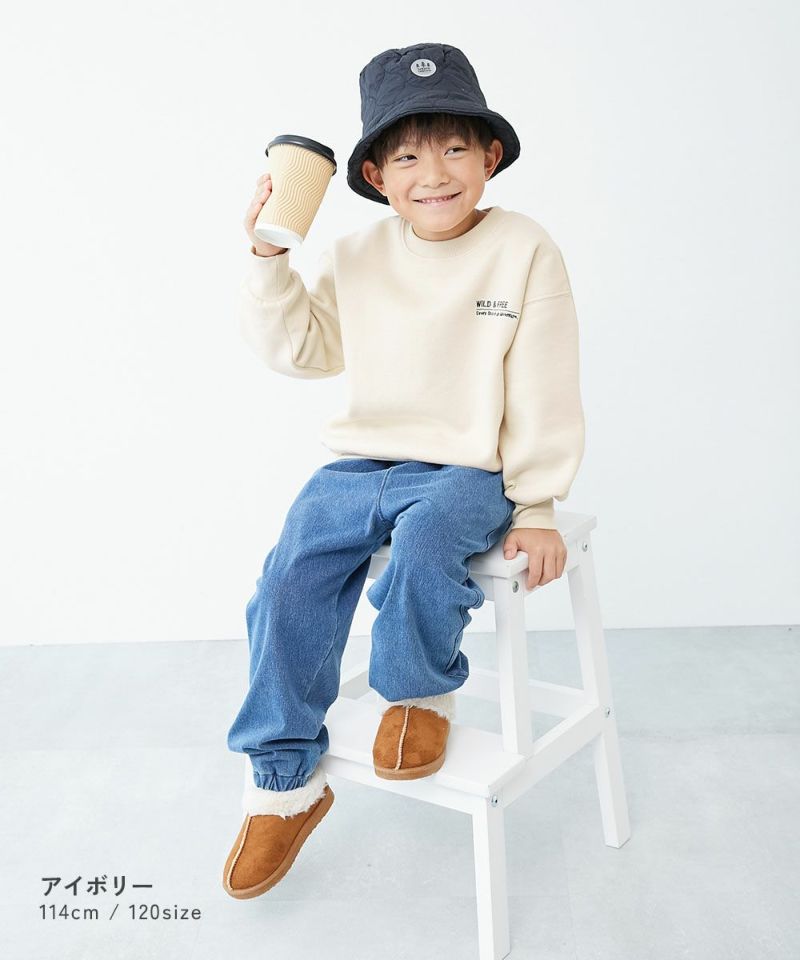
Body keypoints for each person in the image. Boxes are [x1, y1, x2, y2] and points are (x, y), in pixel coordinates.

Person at [222, 42, 585, 899]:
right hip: (362, 461)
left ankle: (418, 695)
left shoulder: (524, 247)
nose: (435, 173)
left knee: (426, 549)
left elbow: (544, 379)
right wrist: (269, 259)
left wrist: (538, 504)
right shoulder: (357, 255)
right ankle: (283, 781)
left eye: (455, 148)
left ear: (489, 157)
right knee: (289, 575)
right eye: (410, 157)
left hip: (466, 467)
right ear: (377, 176)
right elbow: (303, 352)